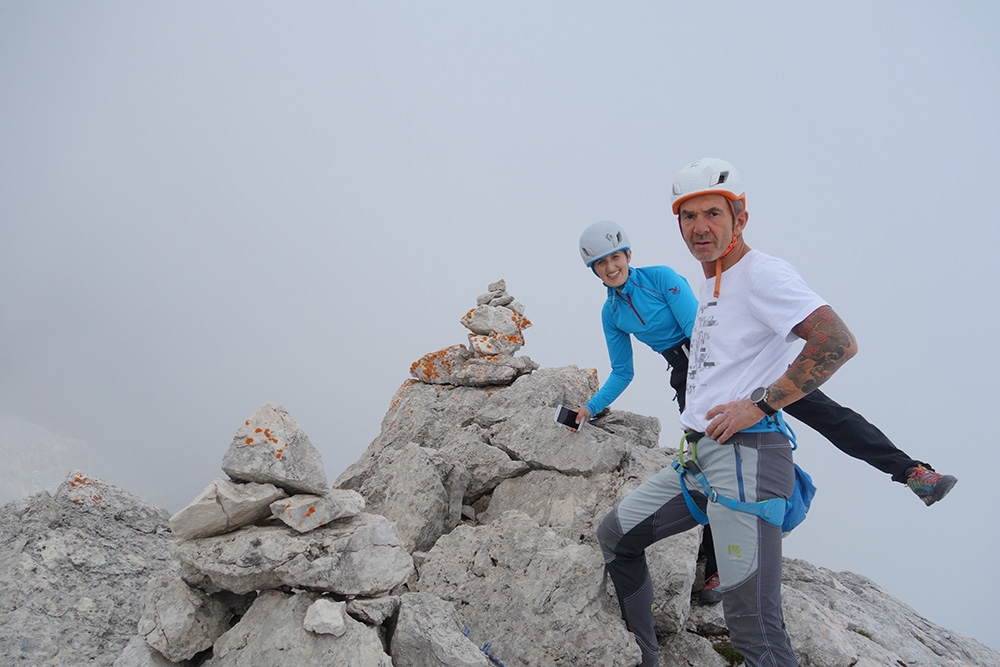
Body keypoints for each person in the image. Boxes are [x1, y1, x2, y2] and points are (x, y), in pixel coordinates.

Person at [585, 158, 949, 667]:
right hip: (700, 447)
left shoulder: (754, 274)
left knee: (754, 628)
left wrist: (761, 403)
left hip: (749, 438)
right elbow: (627, 369)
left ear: (740, 218)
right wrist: (589, 408)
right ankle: (649, 655)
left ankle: (911, 470)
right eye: (688, 218)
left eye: (713, 213)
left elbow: (837, 341)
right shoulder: (697, 289)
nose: (700, 227)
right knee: (615, 536)